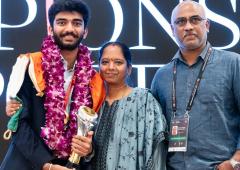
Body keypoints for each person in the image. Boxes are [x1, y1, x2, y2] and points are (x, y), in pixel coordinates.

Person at [1, 0, 105, 170]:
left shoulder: (94, 81)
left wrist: (89, 149)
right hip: (26, 164)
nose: (69, 29)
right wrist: (46, 165)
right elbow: (19, 123)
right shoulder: (30, 66)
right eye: (62, 22)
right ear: (50, 29)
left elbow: (95, 134)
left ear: (85, 31)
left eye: (77, 23)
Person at [151, 1, 240, 170]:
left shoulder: (233, 64)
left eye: (195, 19)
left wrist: (235, 161)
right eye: (181, 22)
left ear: (206, 25)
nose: (188, 26)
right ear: (172, 29)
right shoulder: (162, 76)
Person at [88, 41, 167, 170]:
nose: (111, 67)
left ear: (129, 69)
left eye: (118, 62)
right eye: (105, 62)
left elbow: (157, 148)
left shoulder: (144, 100)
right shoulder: (93, 103)